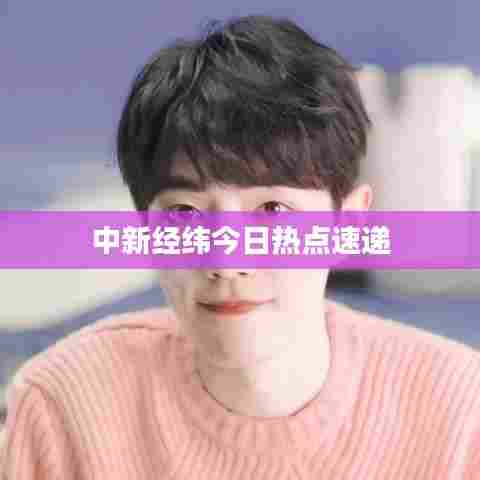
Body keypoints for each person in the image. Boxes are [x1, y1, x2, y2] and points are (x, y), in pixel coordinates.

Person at [2, 14, 480, 479]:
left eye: (272, 210)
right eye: (185, 213)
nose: (226, 261)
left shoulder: (460, 412)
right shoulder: (63, 404)